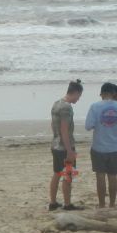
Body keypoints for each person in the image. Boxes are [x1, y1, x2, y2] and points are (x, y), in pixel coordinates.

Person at [84, 82, 117, 208]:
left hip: (98, 147)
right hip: (114, 148)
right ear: (113, 94)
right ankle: (112, 204)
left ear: (101, 94)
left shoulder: (95, 106)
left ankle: (101, 204)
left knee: (100, 176)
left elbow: (88, 126)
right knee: (112, 176)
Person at [49, 79, 83, 211]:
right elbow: (64, 130)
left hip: (55, 144)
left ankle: (53, 202)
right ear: (75, 92)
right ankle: (67, 204)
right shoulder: (67, 108)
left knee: (57, 173)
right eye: (79, 96)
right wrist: (69, 151)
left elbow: (53, 125)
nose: (78, 99)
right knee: (67, 176)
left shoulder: (56, 103)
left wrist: (56, 137)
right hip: (64, 147)